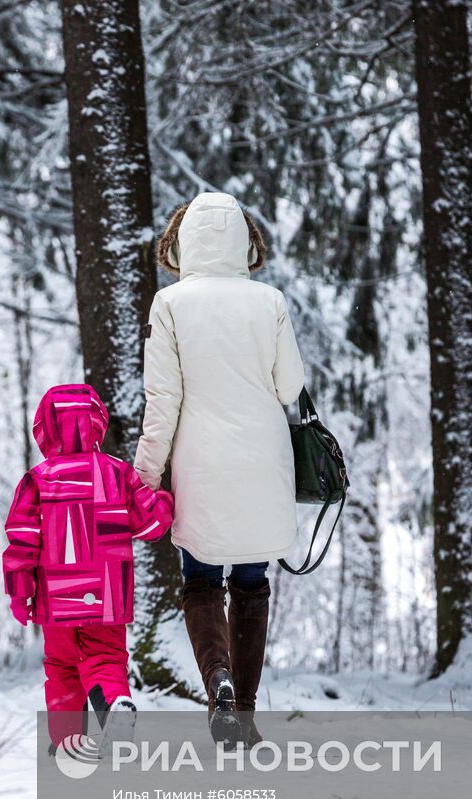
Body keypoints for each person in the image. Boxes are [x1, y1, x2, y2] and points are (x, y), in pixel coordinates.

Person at [134, 192, 305, 744]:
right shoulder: (269, 301)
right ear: (244, 240)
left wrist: (146, 475)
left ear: (182, 243)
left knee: (201, 581)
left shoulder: (171, 305)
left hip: (198, 464)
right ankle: (245, 715)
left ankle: (219, 681)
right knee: (252, 585)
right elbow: (289, 387)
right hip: (261, 460)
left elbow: (163, 398)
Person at [3, 384, 174, 751]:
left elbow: (22, 541)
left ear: (44, 429)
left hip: (56, 596)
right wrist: (165, 499)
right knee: (106, 657)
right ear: (97, 423)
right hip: (107, 594)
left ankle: (68, 740)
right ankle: (113, 703)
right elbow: (150, 525)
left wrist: (21, 593)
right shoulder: (118, 474)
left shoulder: (38, 480)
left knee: (62, 666)